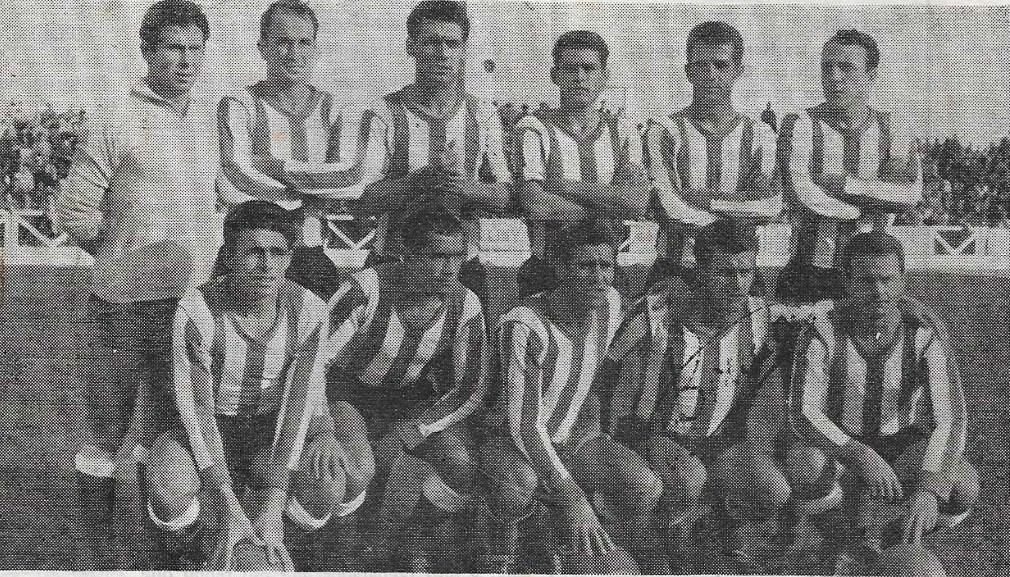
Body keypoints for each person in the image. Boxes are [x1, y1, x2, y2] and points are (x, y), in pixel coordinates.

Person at [55, 1, 223, 568]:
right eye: (173, 48)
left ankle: (173, 553)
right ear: (148, 51)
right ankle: (96, 555)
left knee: (178, 431)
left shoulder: (212, 119)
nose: (186, 61)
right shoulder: (113, 117)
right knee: (106, 435)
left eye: (195, 50)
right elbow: (73, 212)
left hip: (190, 305)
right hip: (122, 306)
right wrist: (125, 263)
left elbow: (222, 202)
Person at [145, 200, 374, 570]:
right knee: (168, 484)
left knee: (329, 482)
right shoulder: (197, 311)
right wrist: (227, 504)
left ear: (289, 258)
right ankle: (195, 546)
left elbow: (298, 407)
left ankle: (277, 540)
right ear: (229, 257)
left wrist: (273, 500)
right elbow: (197, 412)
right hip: (209, 424)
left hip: (269, 428)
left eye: (277, 253)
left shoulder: (310, 310)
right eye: (254, 252)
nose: (267, 265)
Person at [595, 220, 792, 573]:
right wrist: (621, 438)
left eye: (745, 272)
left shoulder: (759, 316)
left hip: (715, 441)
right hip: (654, 434)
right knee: (687, 483)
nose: (737, 285)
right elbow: (604, 371)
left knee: (772, 489)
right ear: (700, 271)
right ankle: (655, 542)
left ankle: (713, 525)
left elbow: (826, 317)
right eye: (725, 273)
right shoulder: (657, 312)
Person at [787, 232, 978, 573]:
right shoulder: (822, 330)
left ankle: (893, 537)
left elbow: (951, 419)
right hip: (842, 444)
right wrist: (859, 454)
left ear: (903, 280)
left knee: (962, 485)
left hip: (900, 445)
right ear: (847, 283)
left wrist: (929, 490)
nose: (878, 291)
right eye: (866, 281)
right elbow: (803, 412)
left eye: (887, 280)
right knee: (806, 463)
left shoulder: (924, 331)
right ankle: (843, 542)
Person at [479, 219, 661, 574]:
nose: (599, 277)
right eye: (586, 266)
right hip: (507, 442)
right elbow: (525, 428)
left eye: (606, 266)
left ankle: (573, 539)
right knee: (520, 484)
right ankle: (501, 554)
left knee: (644, 485)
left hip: (566, 439)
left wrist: (590, 424)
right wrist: (573, 496)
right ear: (561, 269)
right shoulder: (525, 325)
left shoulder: (610, 303)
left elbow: (588, 376)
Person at [320, 203, 489, 570]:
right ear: (406, 255)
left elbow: (469, 388)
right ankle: (342, 551)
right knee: (359, 466)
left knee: (462, 466)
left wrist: (413, 429)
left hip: (408, 397)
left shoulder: (466, 304)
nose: (450, 269)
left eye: (457, 257)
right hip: (349, 391)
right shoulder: (364, 290)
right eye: (437, 257)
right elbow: (316, 362)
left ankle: (410, 538)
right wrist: (323, 425)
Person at [354, 0, 512, 309]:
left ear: (464, 49)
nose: (443, 53)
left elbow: (507, 197)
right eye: (431, 42)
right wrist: (422, 179)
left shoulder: (483, 115)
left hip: (462, 267)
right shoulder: (384, 112)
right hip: (395, 262)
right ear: (411, 47)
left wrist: (467, 187)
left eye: (452, 43)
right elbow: (364, 199)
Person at [217, 0, 376, 300]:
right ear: (263, 48)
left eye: (304, 43)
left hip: (309, 257)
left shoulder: (336, 107)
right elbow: (234, 181)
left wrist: (272, 166)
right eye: (283, 42)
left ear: (315, 48)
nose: (294, 53)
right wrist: (311, 195)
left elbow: (353, 178)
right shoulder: (239, 104)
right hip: (248, 257)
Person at [776, 30, 922, 306]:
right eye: (827, 67)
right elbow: (800, 195)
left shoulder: (895, 129)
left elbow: (909, 195)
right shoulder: (800, 124)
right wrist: (870, 203)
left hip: (870, 274)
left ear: (871, 75)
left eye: (846, 67)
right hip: (809, 273)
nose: (834, 77)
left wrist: (843, 184)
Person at [643, 21, 781, 289]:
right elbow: (668, 208)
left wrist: (702, 199)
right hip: (678, 270)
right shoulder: (664, 130)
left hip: (738, 272)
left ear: (738, 70)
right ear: (688, 72)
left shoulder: (760, 134)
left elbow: (769, 206)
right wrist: (739, 207)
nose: (710, 74)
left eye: (721, 65)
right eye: (701, 65)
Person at [513, 31, 650, 299]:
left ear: (604, 76)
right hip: (549, 270)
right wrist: (603, 211)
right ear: (555, 75)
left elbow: (635, 203)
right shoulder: (534, 127)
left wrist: (563, 186)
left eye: (589, 68)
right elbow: (536, 204)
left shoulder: (623, 131)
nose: (579, 77)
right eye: (570, 69)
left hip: (606, 269)